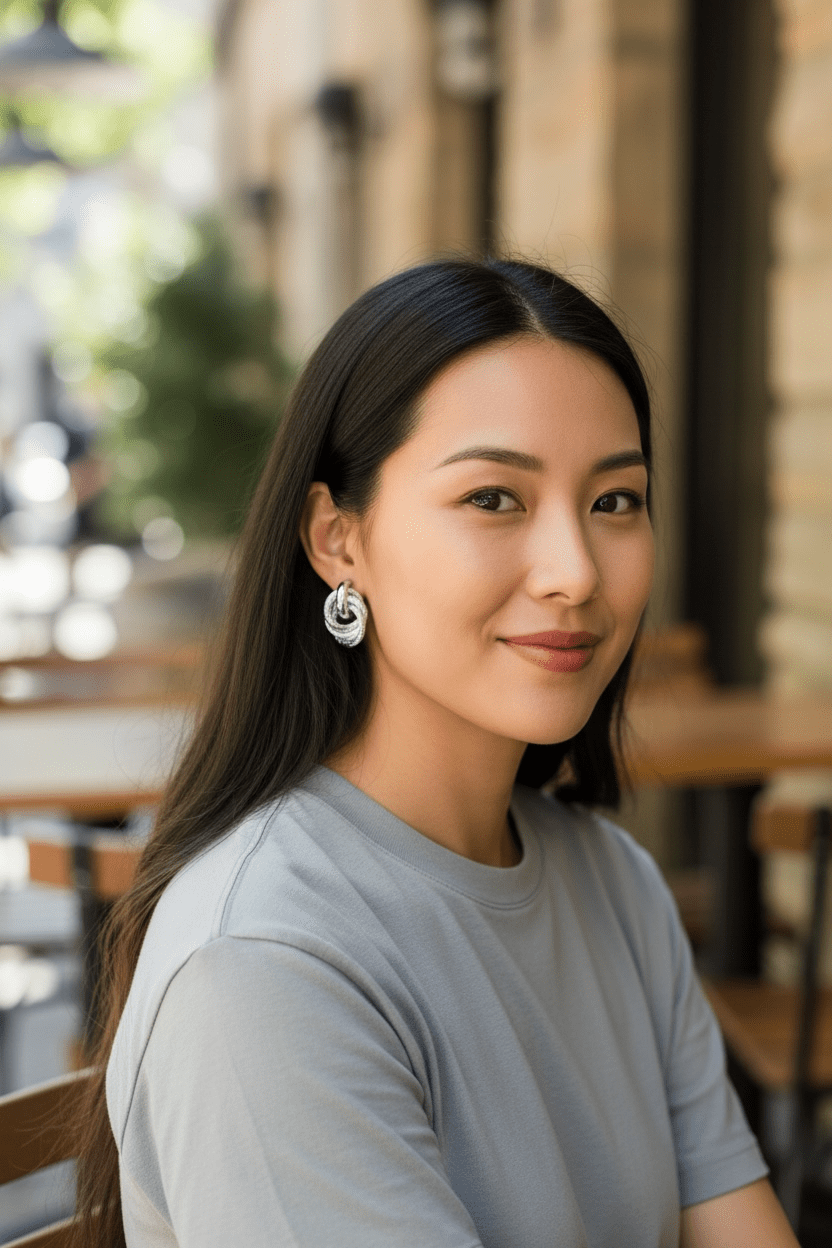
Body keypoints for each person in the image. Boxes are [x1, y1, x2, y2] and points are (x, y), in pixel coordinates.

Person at [72, 258, 798, 1248]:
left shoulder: (613, 885)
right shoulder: (265, 968)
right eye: (493, 498)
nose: (575, 572)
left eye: (615, 501)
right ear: (337, 539)